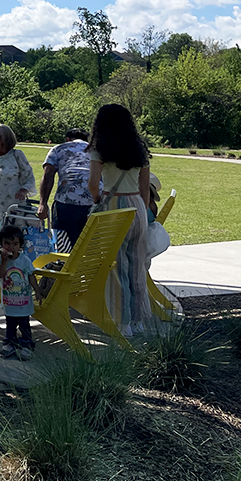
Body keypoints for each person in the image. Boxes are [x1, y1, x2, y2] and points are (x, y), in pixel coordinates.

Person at [88, 103, 155, 338]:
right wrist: (142, 210)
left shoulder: (100, 149)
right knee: (137, 266)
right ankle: (140, 320)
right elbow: (144, 186)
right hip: (137, 205)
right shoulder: (139, 150)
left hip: (113, 205)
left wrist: (98, 199)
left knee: (116, 268)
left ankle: (122, 321)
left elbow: (93, 184)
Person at [0, 123, 35, 328]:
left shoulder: (17, 155)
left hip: (14, 211)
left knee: (13, 255)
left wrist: (24, 190)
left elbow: (30, 178)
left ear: (7, 139)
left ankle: (17, 296)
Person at [37, 128, 96, 248]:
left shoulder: (58, 148)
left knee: (64, 243)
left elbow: (48, 175)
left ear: (68, 139)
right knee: (90, 244)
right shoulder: (96, 150)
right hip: (94, 200)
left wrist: (43, 203)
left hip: (67, 199)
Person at [0, 225, 36, 359]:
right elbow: (0, 274)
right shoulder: (0, 259)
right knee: (10, 323)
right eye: (7, 243)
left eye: (15, 244)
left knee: (24, 323)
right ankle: (10, 343)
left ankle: (26, 344)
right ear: (1, 244)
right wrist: (5, 261)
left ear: (20, 245)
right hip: (9, 301)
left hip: (23, 300)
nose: (11, 247)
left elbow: (31, 275)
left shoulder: (25, 260)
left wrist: (37, 291)